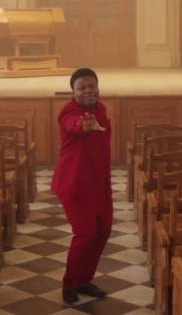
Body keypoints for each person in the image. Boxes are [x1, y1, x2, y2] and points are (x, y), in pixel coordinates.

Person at [51, 68, 112, 303]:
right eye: (82, 88)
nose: (88, 91)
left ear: (97, 87)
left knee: (102, 232)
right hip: (75, 186)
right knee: (86, 233)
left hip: (99, 183)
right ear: (73, 92)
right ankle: (70, 282)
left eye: (91, 86)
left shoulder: (101, 109)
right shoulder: (70, 111)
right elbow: (71, 124)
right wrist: (83, 125)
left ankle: (84, 280)